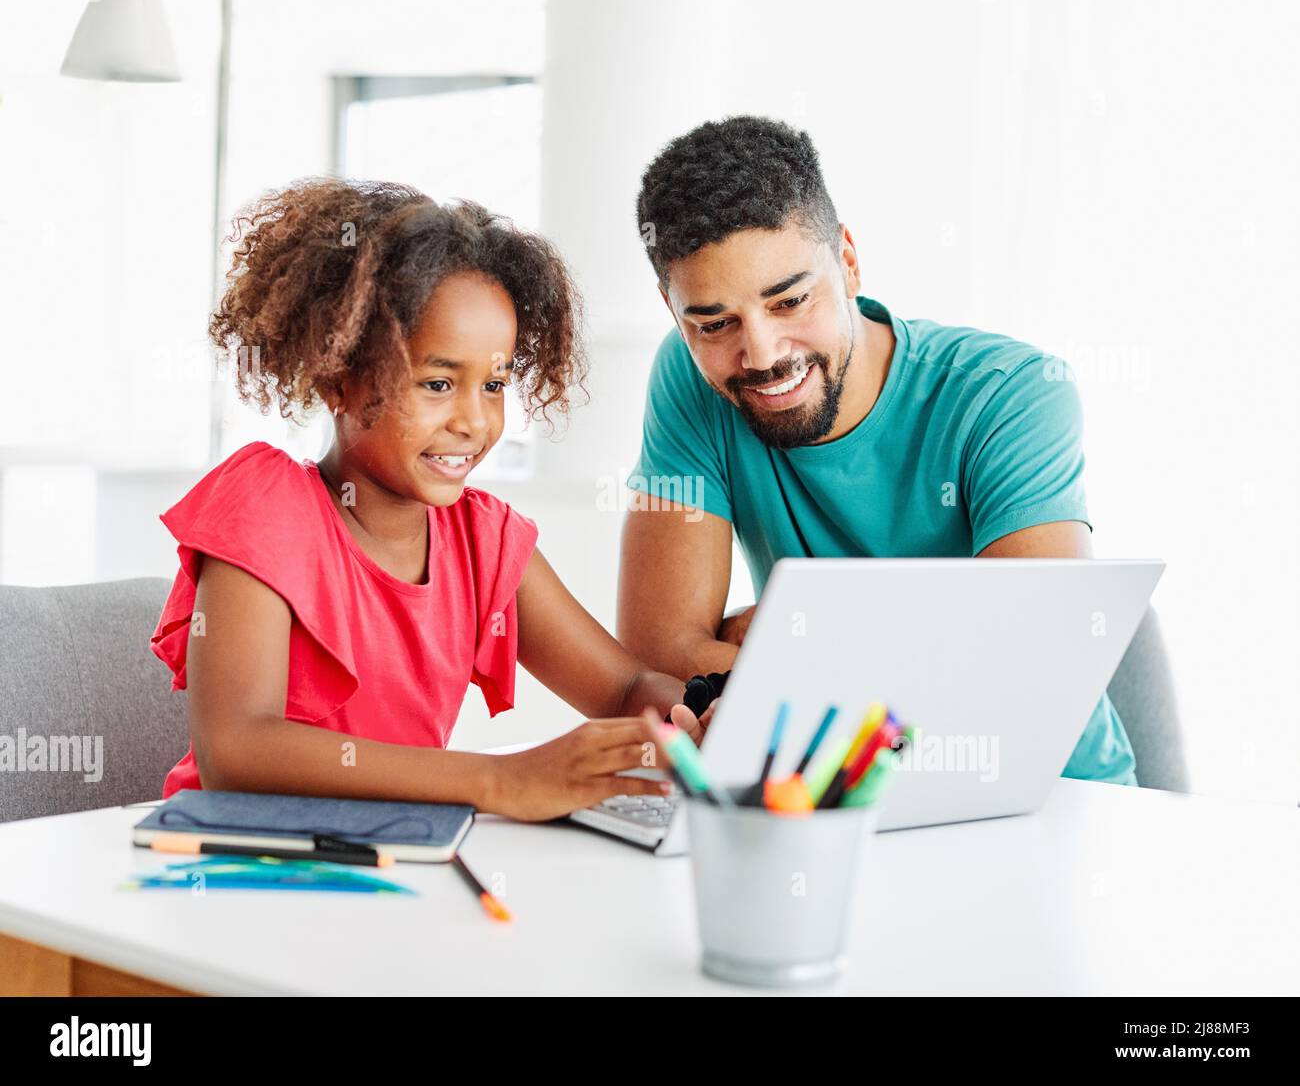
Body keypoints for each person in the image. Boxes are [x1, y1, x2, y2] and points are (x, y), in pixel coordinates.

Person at [152, 178, 704, 820]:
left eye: (494, 384)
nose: (474, 421)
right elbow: (236, 749)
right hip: (233, 863)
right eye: (438, 383)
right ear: (340, 381)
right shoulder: (268, 510)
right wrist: (500, 780)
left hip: (395, 863)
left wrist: (702, 709)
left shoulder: (485, 540)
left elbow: (625, 686)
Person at [618, 116, 1137, 785]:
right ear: (672, 310)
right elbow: (660, 657)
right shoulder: (691, 379)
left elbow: (1031, 664)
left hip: (1053, 791)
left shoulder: (1011, 393)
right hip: (831, 793)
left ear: (849, 262)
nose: (762, 355)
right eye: (714, 323)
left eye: (790, 301)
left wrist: (795, 641)